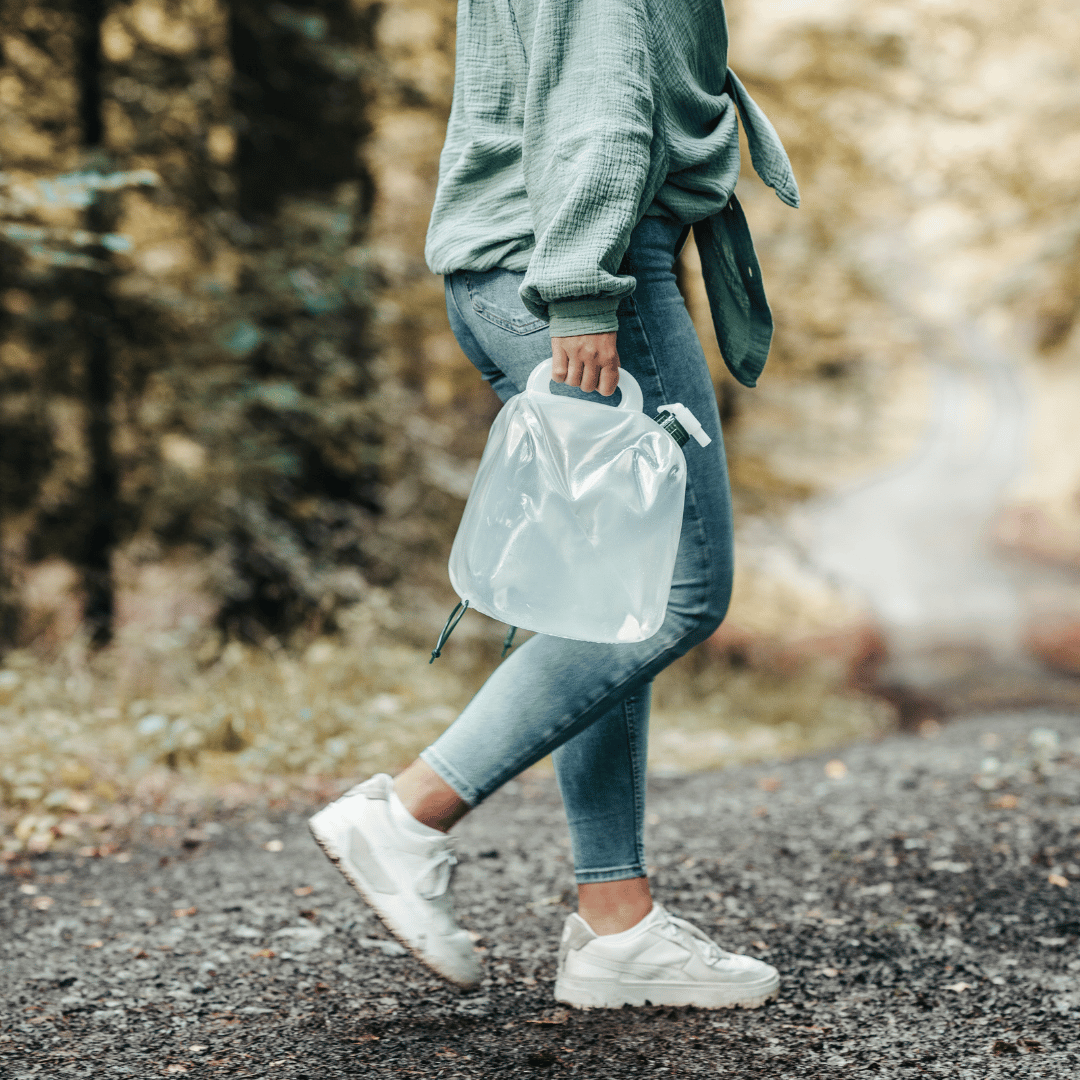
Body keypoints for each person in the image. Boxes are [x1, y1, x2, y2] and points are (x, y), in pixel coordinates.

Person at [309, 0, 798, 1009]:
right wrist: (584, 289)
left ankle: (617, 928)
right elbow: (601, 96)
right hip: (577, 268)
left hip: (538, 257)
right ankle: (404, 816)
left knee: (604, 597)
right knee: (678, 591)